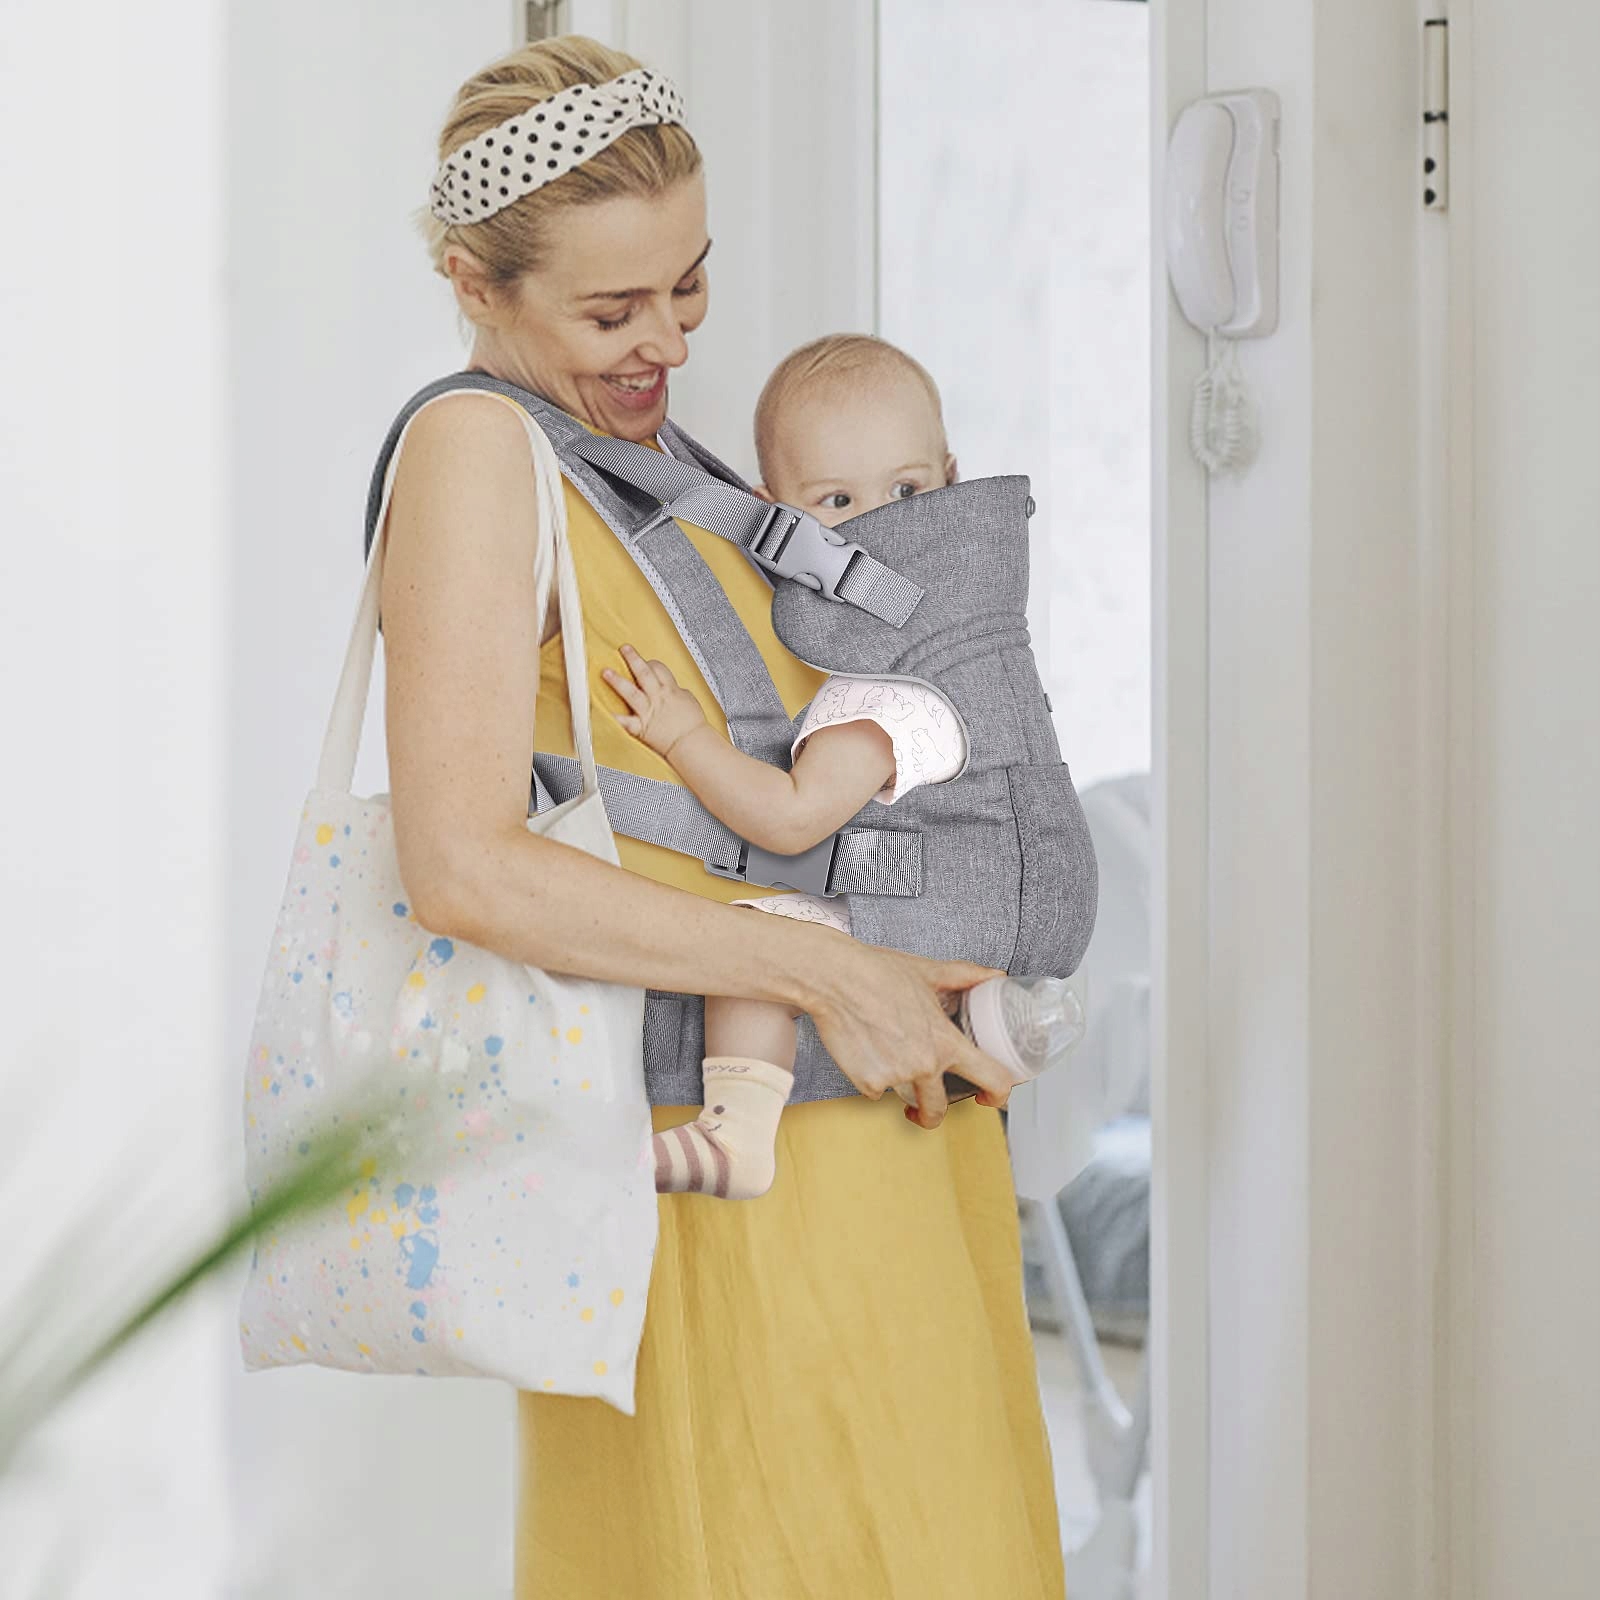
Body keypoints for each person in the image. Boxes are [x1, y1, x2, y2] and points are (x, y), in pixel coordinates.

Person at [383, 35, 1070, 1598]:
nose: (667, 341)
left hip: (868, 1135)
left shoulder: (656, 460)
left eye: (688, 285)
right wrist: (832, 972)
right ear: (473, 282)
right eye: (611, 311)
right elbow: (462, 865)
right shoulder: (478, 452)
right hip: (733, 1179)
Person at [605, 334, 990, 1200]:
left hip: (913, 915)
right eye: (838, 501)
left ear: (953, 483)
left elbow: (789, 819)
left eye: (907, 491)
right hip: (906, 902)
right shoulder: (871, 640)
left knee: (762, 932)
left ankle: (737, 1131)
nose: (881, 524)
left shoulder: (896, 681)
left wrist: (682, 737)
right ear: (771, 519)